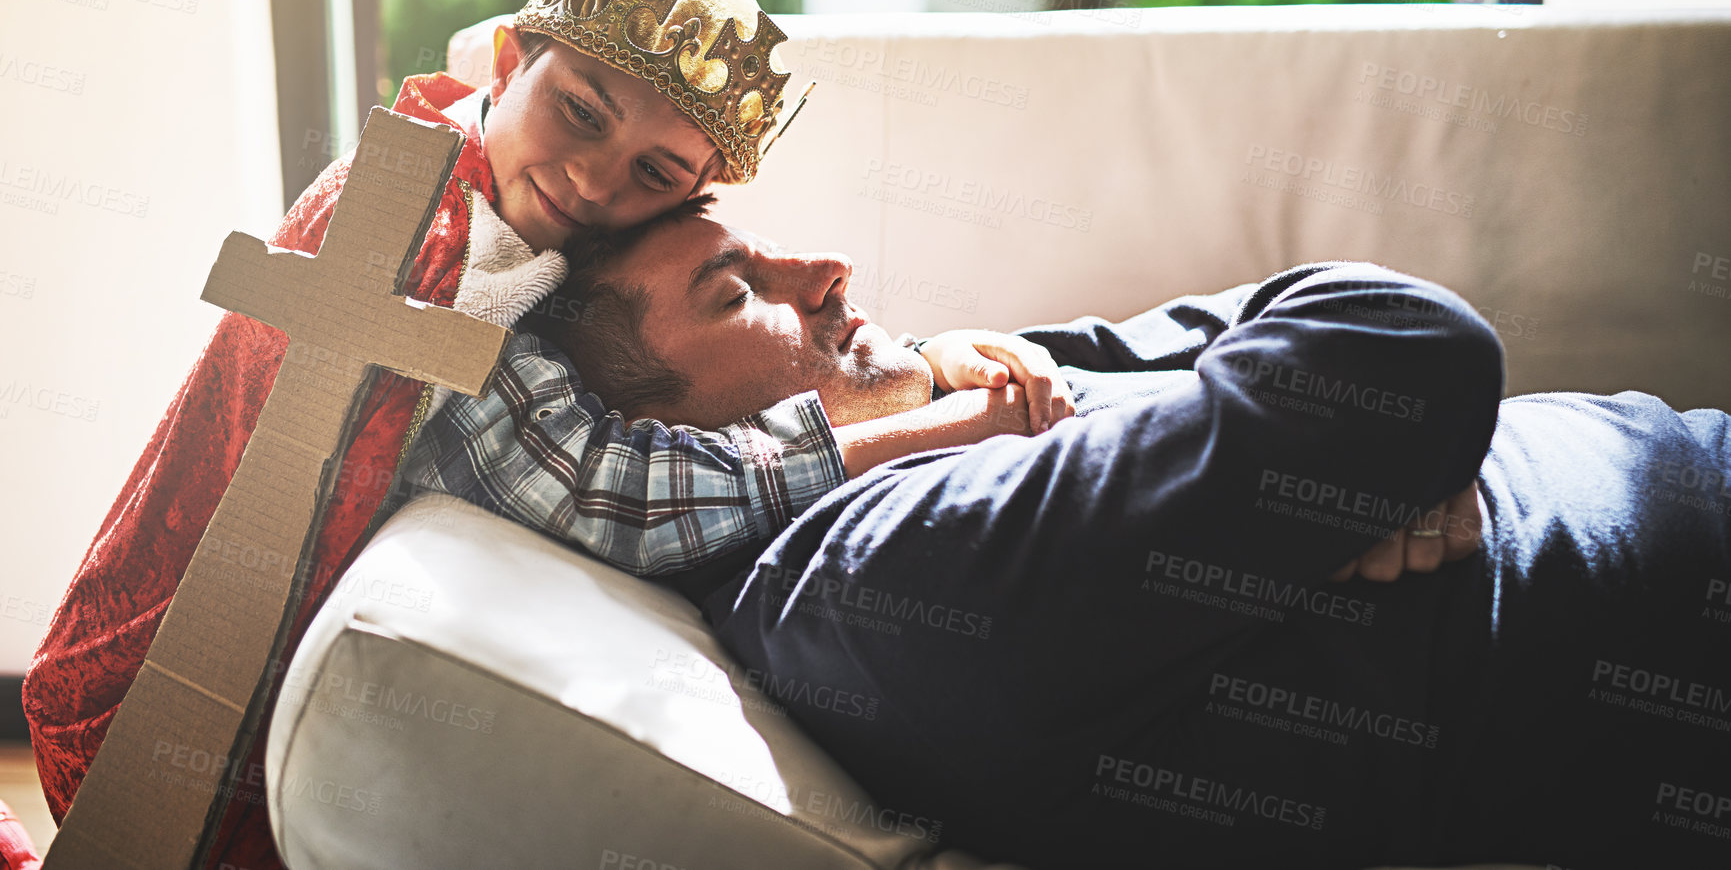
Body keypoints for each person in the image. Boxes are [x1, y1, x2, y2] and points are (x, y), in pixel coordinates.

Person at [9, 0, 1024, 870]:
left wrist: (914, 364)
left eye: (657, 171)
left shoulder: (536, 237)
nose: (592, 178)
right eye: (580, 111)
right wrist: (915, 428)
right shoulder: (430, 241)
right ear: (507, 59)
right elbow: (593, 484)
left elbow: (719, 378)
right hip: (155, 697)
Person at [423, 206, 1731, 869]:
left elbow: (1299, 326)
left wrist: (1371, 455)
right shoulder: (877, 573)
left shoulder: (952, 423)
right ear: (663, 440)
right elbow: (1408, 344)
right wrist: (1369, 438)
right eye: (737, 288)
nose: (822, 268)